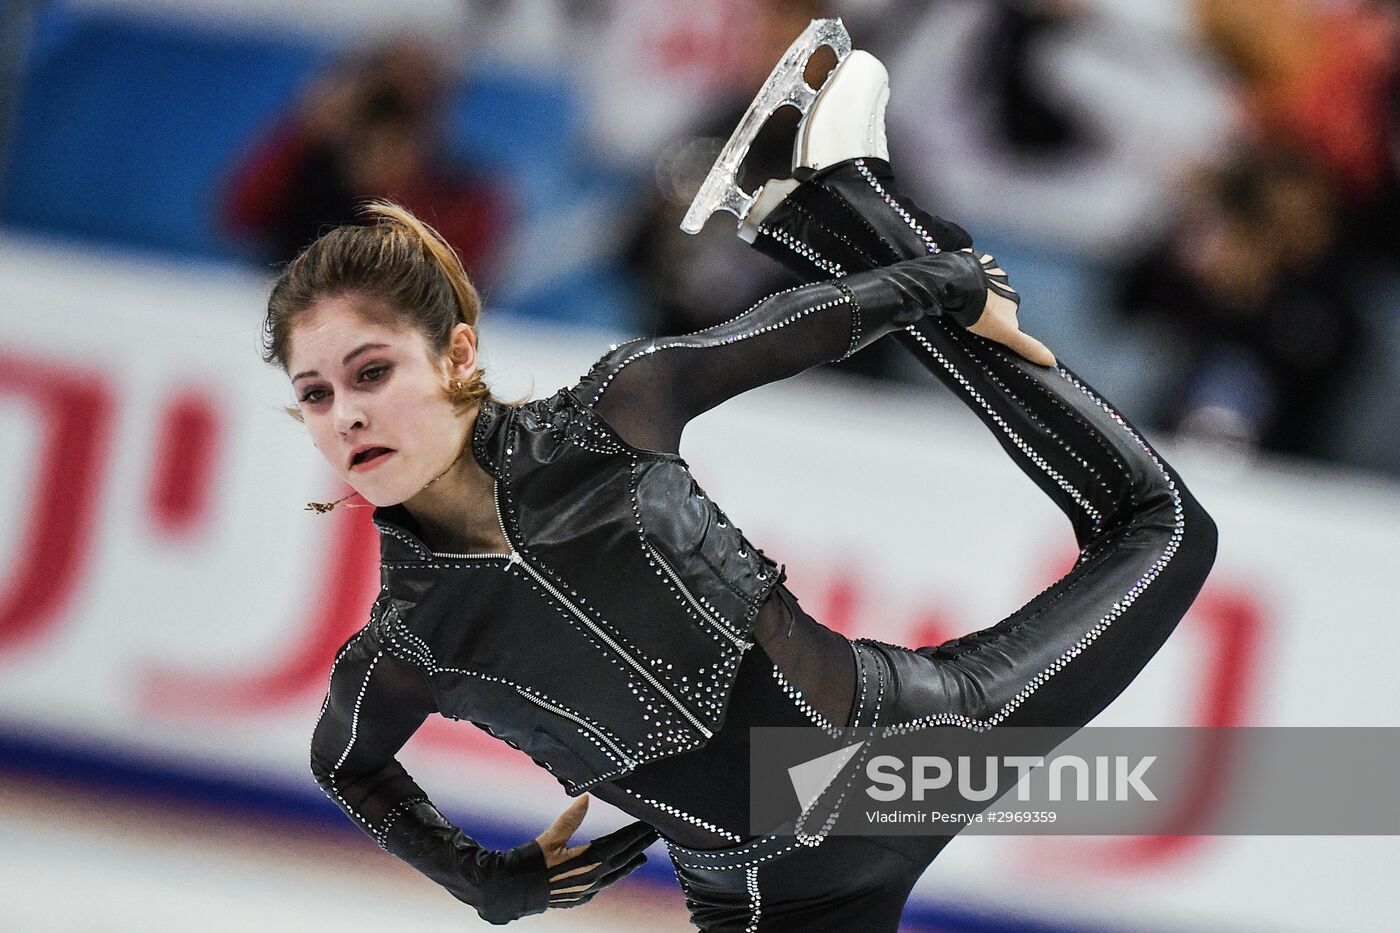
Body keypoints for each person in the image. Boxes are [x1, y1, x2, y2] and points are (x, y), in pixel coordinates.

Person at [266, 30, 1217, 932]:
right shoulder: (407, 641)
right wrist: (483, 878)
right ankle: (832, 202)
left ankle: (836, 203)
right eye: (315, 393)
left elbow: (804, 326)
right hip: (771, 892)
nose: (346, 415)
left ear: (455, 354)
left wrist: (944, 279)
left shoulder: (608, 413)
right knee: (1158, 523)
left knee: (1165, 525)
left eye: (370, 372)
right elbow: (346, 763)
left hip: (908, 747)